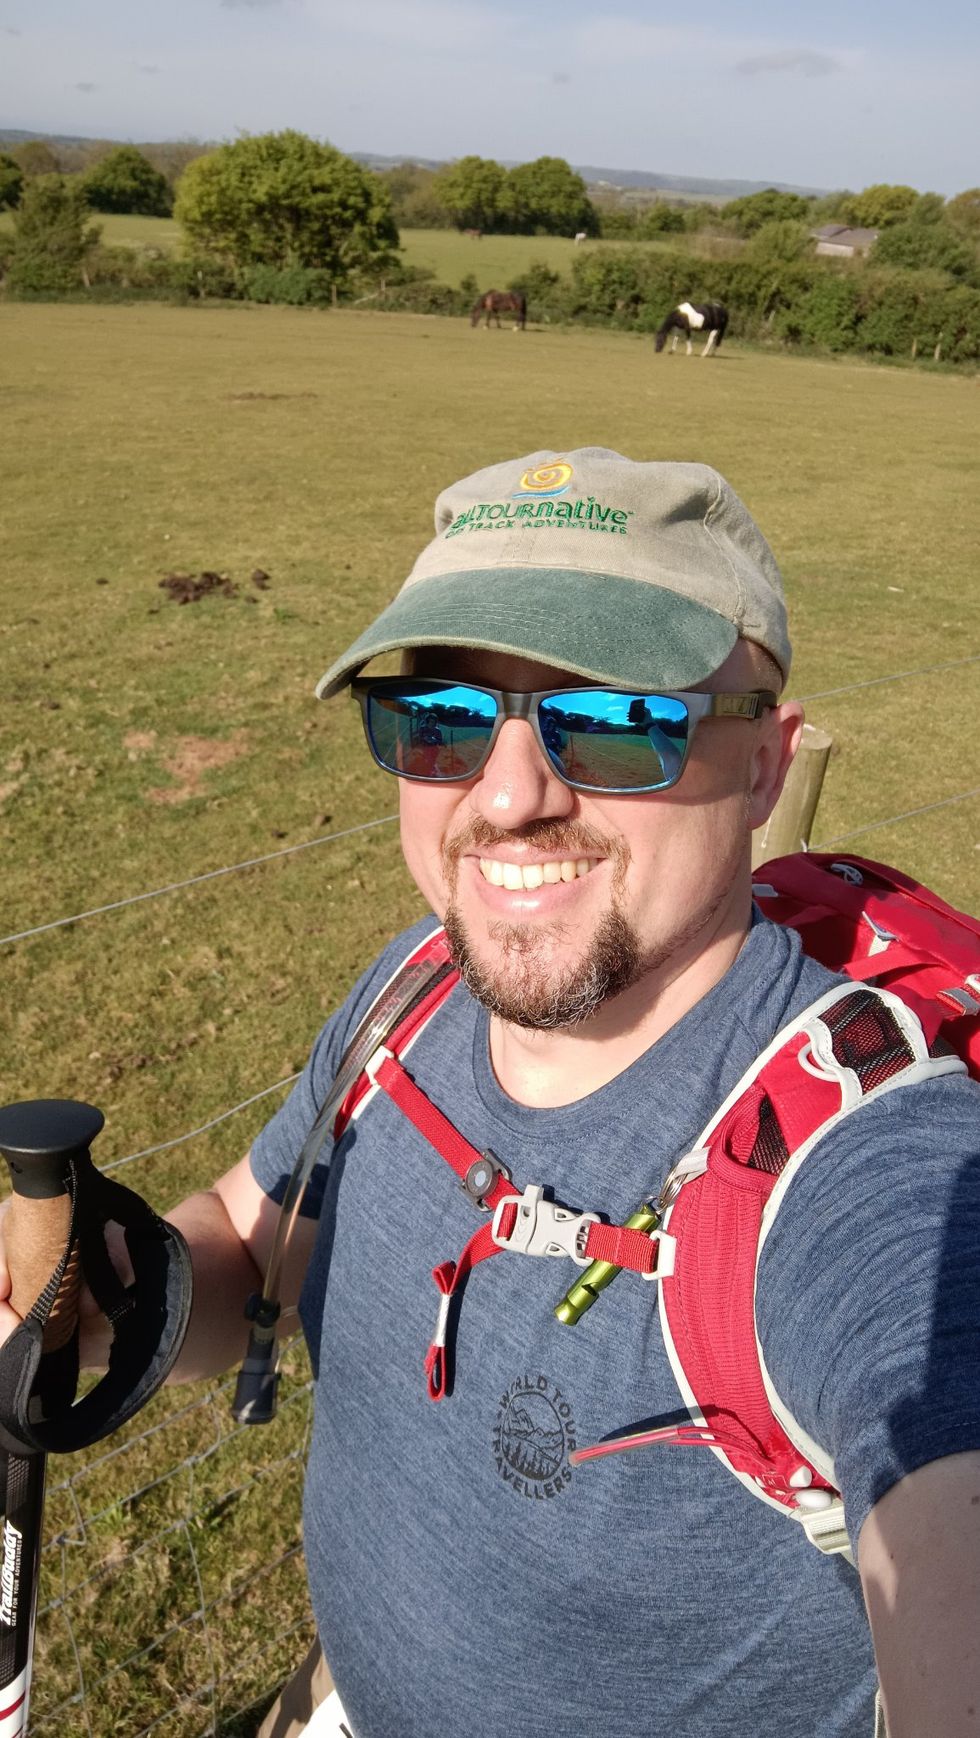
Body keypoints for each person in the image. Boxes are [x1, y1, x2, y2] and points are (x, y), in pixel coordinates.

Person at [4, 450, 978, 1737]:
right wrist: (104, 1292)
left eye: (619, 717)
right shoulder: (413, 991)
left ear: (760, 767)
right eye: (444, 719)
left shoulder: (870, 1177)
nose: (509, 797)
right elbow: (250, 1246)